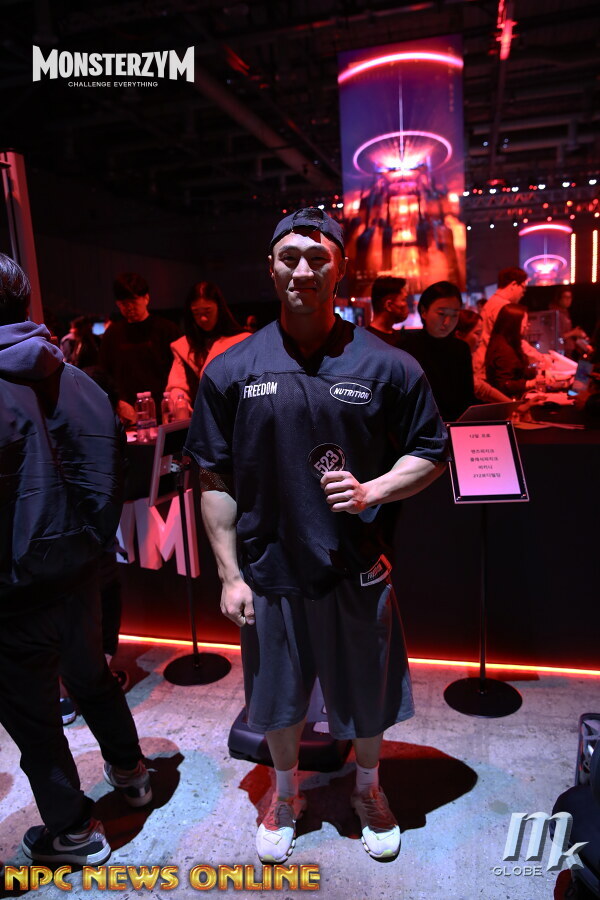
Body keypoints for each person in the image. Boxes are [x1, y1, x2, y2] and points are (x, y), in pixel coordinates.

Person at [185, 207, 448, 864]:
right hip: (270, 568)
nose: (303, 269)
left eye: (318, 257)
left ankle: (368, 788)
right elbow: (213, 475)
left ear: (341, 269)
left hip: (356, 563)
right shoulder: (231, 369)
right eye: (289, 257)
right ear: (271, 269)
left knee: (366, 691)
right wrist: (229, 574)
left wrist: (373, 491)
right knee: (277, 699)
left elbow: (430, 451)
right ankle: (285, 795)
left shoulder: (388, 365)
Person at [0, 254, 152, 866]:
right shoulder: (82, 382)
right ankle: (133, 773)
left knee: (34, 718)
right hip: (83, 572)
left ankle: (74, 831)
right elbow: (111, 471)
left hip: (13, 593)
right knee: (92, 678)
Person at [99, 272, 180, 418]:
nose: (129, 307)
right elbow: (105, 373)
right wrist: (118, 402)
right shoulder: (112, 334)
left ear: (146, 298)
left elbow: (178, 371)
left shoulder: (167, 330)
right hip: (126, 412)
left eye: (133, 301)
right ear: (117, 304)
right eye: (124, 304)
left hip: (164, 408)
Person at [398, 281, 476, 421]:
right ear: (424, 311)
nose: (447, 322)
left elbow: (467, 396)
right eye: (441, 314)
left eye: (454, 315)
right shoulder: (406, 348)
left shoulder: (461, 348)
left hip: (456, 425)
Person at [166, 281, 248, 408]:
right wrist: (180, 403)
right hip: (197, 415)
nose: (203, 319)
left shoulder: (242, 341)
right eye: (196, 313)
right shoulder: (183, 346)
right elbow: (177, 385)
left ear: (219, 308)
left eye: (207, 312)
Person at [472, 266, 543, 382]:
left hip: (485, 364)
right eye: (523, 288)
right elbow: (513, 341)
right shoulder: (503, 307)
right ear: (513, 284)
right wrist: (541, 358)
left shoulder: (492, 302)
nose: (523, 293)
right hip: (493, 367)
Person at [454, 308, 511, 404]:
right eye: (477, 333)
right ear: (459, 334)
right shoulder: (453, 360)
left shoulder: (468, 356)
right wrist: (515, 406)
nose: (481, 339)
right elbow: (479, 388)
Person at [485, 303, 537, 398]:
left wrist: (538, 372)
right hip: (508, 402)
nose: (527, 325)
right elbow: (504, 384)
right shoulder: (503, 349)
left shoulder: (507, 342)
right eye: (525, 322)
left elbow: (518, 371)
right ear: (514, 324)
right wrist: (530, 383)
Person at [549, 286, 591, 359]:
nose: (568, 300)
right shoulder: (555, 314)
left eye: (570, 297)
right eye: (566, 297)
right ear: (559, 299)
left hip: (569, 352)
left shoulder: (565, 312)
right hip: (561, 353)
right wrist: (574, 332)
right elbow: (557, 337)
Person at [366, 275, 409, 346]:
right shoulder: (367, 342)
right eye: (403, 300)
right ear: (389, 305)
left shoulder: (398, 338)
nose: (406, 304)